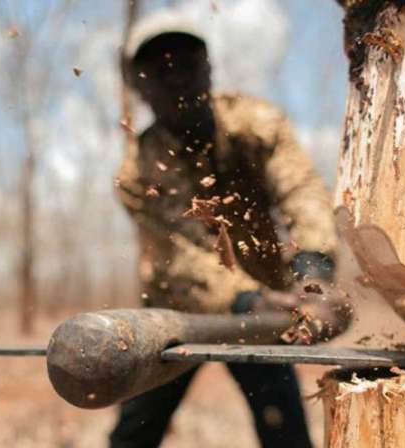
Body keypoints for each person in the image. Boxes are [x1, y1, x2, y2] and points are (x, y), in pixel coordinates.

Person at [112, 13, 348, 448]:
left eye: (187, 64)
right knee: (134, 433)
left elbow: (301, 190)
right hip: (177, 315)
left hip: (264, 311)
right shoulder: (136, 172)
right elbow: (176, 257)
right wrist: (249, 299)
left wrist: (313, 272)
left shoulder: (256, 124)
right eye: (161, 72)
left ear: (208, 69)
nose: (178, 79)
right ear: (141, 87)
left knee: (284, 427)